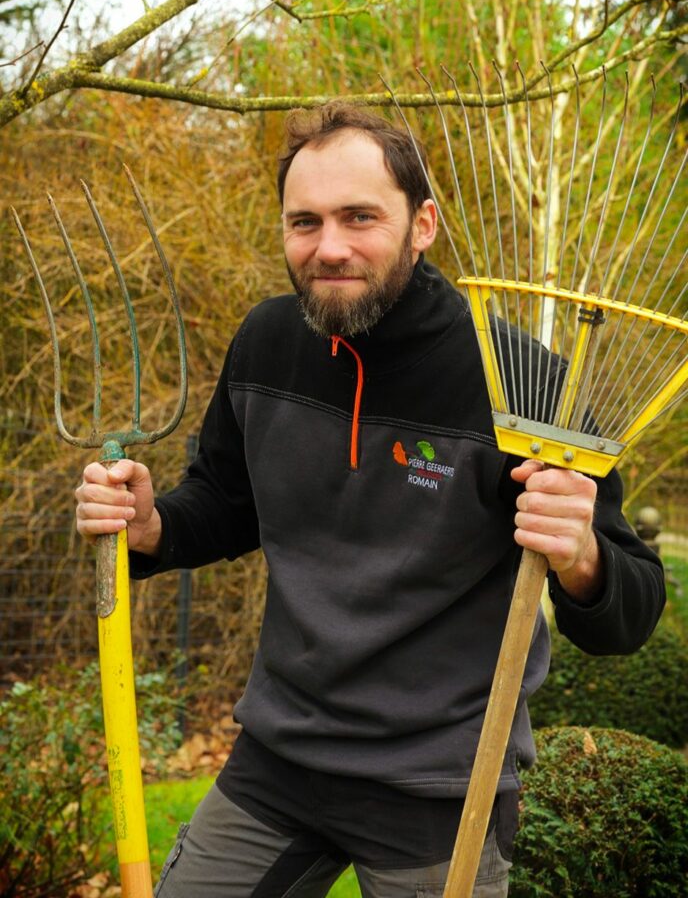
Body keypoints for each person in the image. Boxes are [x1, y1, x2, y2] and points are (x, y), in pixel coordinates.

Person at [75, 103, 665, 898]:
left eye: (360, 218)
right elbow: (225, 501)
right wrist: (152, 526)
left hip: (438, 784)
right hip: (280, 759)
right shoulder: (267, 343)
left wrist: (583, 555)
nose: (329, 248)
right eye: (305, 222)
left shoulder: (519, 386)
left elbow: (634, 605)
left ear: (423, 225)